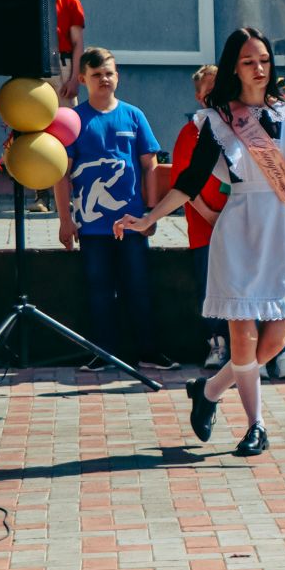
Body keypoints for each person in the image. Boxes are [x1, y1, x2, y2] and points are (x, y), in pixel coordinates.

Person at [116, 27, 285, 454]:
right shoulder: (219, 120)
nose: (259, 68)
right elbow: (189, 181)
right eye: (248, 61)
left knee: (276, 340)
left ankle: (209, 390)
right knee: (243, 338)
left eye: (264, 60)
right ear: (234, 67)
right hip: (239, 229)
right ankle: (255, 425)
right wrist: (149, 218)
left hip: (282, 228)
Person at [57, 48, 170, 370]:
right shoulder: (75, 121)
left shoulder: (134, 115)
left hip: (132, 223)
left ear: (117, 75)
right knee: (98, 292)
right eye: (96, 75)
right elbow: (61, 174)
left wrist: (150, 212)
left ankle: (148, 352)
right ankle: (102, 353)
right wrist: (65, 220)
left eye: (109, 73)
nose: (104, 79)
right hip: (92, 227)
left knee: (139, 287)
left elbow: (150, 166)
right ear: (83, 80)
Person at [169, 65, 232, 368]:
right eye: (208, 90)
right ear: (198, 96)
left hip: (241, 227)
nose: (215, 94)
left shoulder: (242, 123)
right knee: (210, 289)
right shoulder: (190, 131)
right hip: (206, 229)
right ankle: (216, 344)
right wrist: (209, 215)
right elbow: (182, 180)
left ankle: (250, 349)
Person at [53, 0, 86, 105]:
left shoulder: (70, 1)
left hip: (61, 66)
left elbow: (77, 43)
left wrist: (74, 80)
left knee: (64, 121)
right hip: (31, 67)